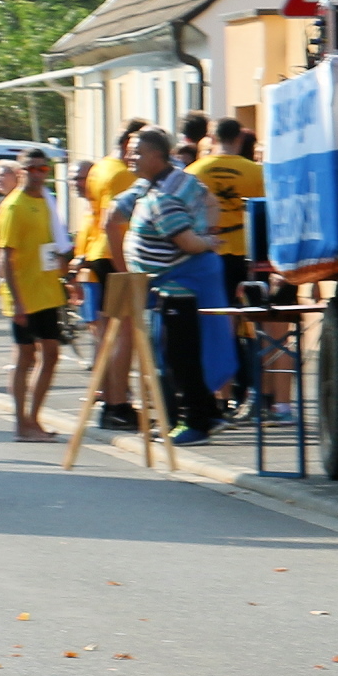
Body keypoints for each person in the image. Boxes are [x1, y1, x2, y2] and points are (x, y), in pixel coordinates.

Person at [111, 128, 220, 446]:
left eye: (137, 152)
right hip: (166, 287)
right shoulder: (156, 186)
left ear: (156, 156)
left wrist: (206, 238)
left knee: (180, 359)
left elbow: (188, 240)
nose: (130, 157)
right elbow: (210, 202)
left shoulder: (165, 195)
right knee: (175, 358)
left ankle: (195, 423)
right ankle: (191, 418)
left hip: (179, 287)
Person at [187, 120, 266, 416]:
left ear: (211, 137)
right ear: (240, 138)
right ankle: (260, 393)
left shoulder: (193, 172)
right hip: (249, 255)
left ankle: (222, 396)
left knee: (217, 326)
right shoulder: (256, 172)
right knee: (257, 325)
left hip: (210, 254)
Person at [0, 148, 69, 440]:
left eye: (43, 169)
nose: (38, 175)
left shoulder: (46, 200)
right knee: (27, 356)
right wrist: (17, 301)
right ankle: (21, 423)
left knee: (48, 355)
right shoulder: (14, 206)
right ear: (21, 172)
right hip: (25, 293)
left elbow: (53, 243)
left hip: (47, 290)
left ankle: (32, 419)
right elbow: (5, 255)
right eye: (32, 169)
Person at [76, 128, 142, 430]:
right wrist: (124, 269)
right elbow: (112, 220)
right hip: (114, 254)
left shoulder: (100, 168)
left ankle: (111, 401)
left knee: (108, 334)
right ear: (128, 143)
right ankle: (117, 404)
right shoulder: (123, 175)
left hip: (98, 253)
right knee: (122, 335)